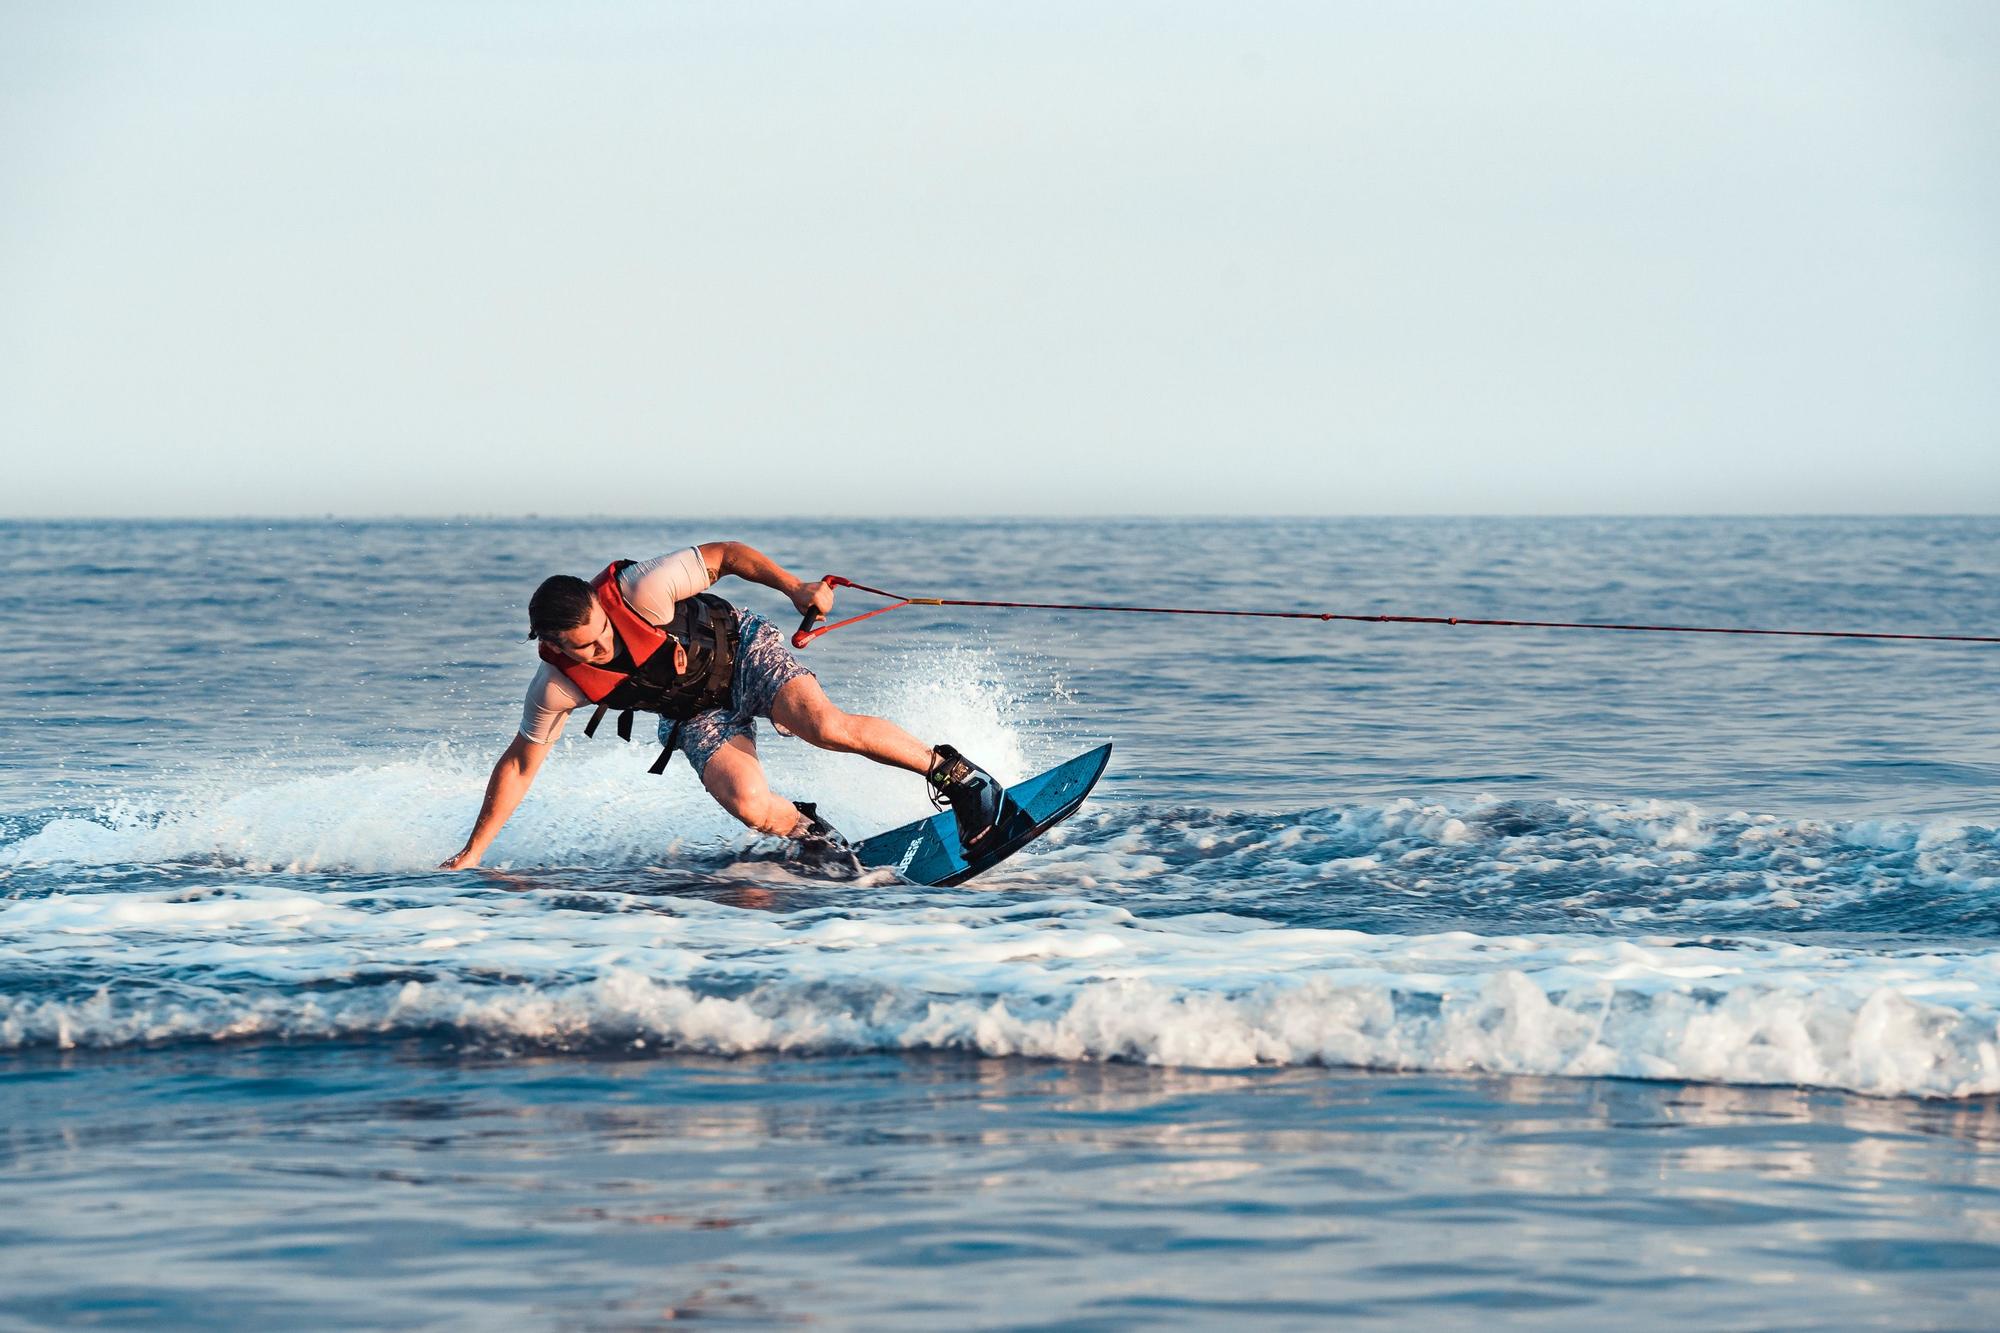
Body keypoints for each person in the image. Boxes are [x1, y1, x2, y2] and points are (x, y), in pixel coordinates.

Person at [439, 541, 1008, 871]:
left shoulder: (642, 588)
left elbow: (729, 555)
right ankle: (827, 848)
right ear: (553, 643)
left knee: (819, 725)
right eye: (582, 647)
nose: (599, 647)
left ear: (597, 605)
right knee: (750, 804)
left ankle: (962, 780)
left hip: (742, 651)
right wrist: (472, 853)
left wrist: (795, 589)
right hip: (694, 712)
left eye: (598, 631)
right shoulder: (555, 687)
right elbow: (519, 764)